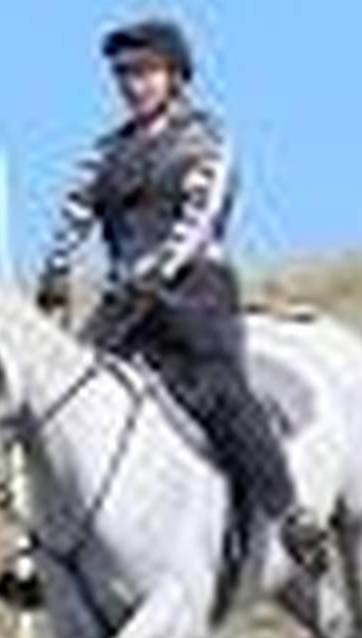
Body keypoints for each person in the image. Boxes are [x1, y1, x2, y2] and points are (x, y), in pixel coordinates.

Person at [35, 17, 331, 579]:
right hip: (126, 303)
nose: (131, 85)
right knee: (63, 403)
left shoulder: (206, 137)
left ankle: (291, 514)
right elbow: (74, 212)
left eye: (144, 72)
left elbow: (201, 217)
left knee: (222, 391)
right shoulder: (105, 152)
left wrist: (159, 269)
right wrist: (55, 269)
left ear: (174, 75)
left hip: (194, 294)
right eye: (122, 75)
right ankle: (44, 554)